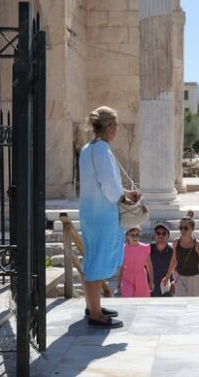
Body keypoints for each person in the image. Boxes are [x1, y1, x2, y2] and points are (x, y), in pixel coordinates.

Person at [79, 105, 140, 328]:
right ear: (109, 126)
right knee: (97, 261)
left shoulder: (87, 148)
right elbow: (108, 186)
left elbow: (99, 183)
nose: (116, 130)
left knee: (92, 258)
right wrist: (124, 199)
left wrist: (123, 193)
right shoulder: (102, 149)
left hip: (90, 212)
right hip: (102, 215)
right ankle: (95, 313)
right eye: (115, 125)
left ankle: (92, 305)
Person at [161, 211, 199, 296]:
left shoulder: (198, 246)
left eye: (185, 228)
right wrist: (167, 277)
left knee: (193, 304)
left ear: (192, 229)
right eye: (181, 228)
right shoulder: (176, 242)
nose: (182, 230)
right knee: (180, 301)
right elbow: (174, 260)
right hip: (180, 276)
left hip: (194, 278)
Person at [119, 226, 153, 297]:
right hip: (127, 277)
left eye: (137, 235)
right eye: (132, 235)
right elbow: (122, 266)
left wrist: (151, 281)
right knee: (127, 297)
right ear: (127, 236)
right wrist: (119, 281)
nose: (135, 237)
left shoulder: (144, 248)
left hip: (141, 276)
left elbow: (149, 265)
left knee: (142, 299)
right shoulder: (123, 249)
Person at [150, 222, 174, 297]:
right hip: (150, 288)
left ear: (168, 236)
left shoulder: (172, 252)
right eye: (158, 233)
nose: (161, 235)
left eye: (164, 233)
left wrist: (174, 282)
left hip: (166, 289)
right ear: (155, 235)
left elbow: (177, 269)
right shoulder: (148, 249)